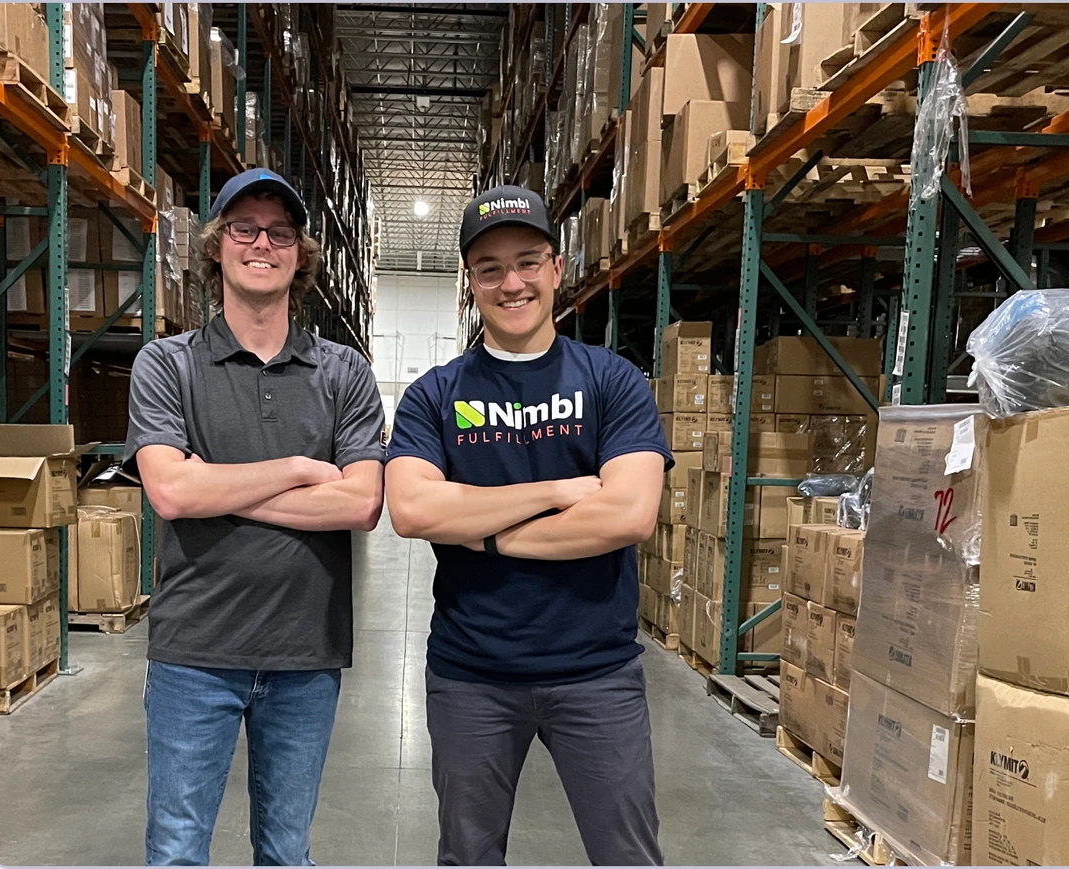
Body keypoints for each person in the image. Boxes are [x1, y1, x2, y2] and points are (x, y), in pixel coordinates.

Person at [383, 185, 672, 866]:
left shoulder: (613, 381)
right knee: (468, 857)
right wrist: (558, 491)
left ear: (556, 265)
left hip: (596, 670)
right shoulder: (436, 394)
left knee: (630, 858)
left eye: (527, 261)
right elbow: (415, 511)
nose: (511, 282)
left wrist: (481, 527)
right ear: (470, 283)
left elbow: (629, 512)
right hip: (471, 675)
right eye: (489, 268)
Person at [122, 168, 386, 866]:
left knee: (285, 851)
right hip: (194, 653)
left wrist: (214, 480)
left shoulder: (344, 372)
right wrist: (301, 469)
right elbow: (170, 494)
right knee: (177, 851)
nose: (261, 243)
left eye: (279, 232)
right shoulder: (165, 364)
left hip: (306, 654)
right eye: (244, 228)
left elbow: (361, 502)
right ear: (216, 247)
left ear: (299, 254)